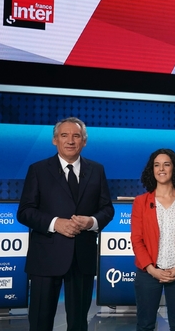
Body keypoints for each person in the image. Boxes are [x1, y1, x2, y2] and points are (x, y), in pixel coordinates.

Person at [17, 117, 114, 331]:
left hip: (82, 259)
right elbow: (25, 212)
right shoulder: (38, 170)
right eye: (64, 135)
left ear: (84, 142)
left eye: (76, 136)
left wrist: (91, 222)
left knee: (78, 324)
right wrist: (55, 223)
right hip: (45, 258)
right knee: (41, 323)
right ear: (55, 140)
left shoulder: (97, 170)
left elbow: (107, 209)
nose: (70, 141)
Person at [131, 148, 175, 331]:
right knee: (145, 325)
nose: (161, 169)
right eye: (156, 165)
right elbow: (137, 240)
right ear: (151, 170)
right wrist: (152, 270)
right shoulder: (141, 202)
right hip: (148, 273)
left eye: (166, 164)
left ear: (173, 169)